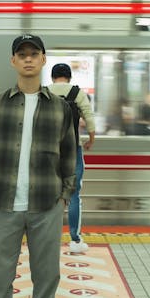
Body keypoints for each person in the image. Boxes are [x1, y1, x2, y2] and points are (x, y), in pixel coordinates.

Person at [0, 34, 77, 298]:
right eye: (22, 54)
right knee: (0, 279)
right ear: (13, 60)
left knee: (47, 277)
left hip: (47, 205)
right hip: (4, 204)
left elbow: (69, 155)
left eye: (34, 54)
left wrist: (64, 196)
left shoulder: (60, 108)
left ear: (43, 60)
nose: (28, 59)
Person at [47, 62, 96, 253]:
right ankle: (75, 240)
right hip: (73, 149)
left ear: (52, 77)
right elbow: (89, 119)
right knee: (74, 195)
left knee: (49, 194)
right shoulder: (77, 94)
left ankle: (48, 239)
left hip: (49, 151)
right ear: (69, 77)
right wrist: (91, 140)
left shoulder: (45, 92)